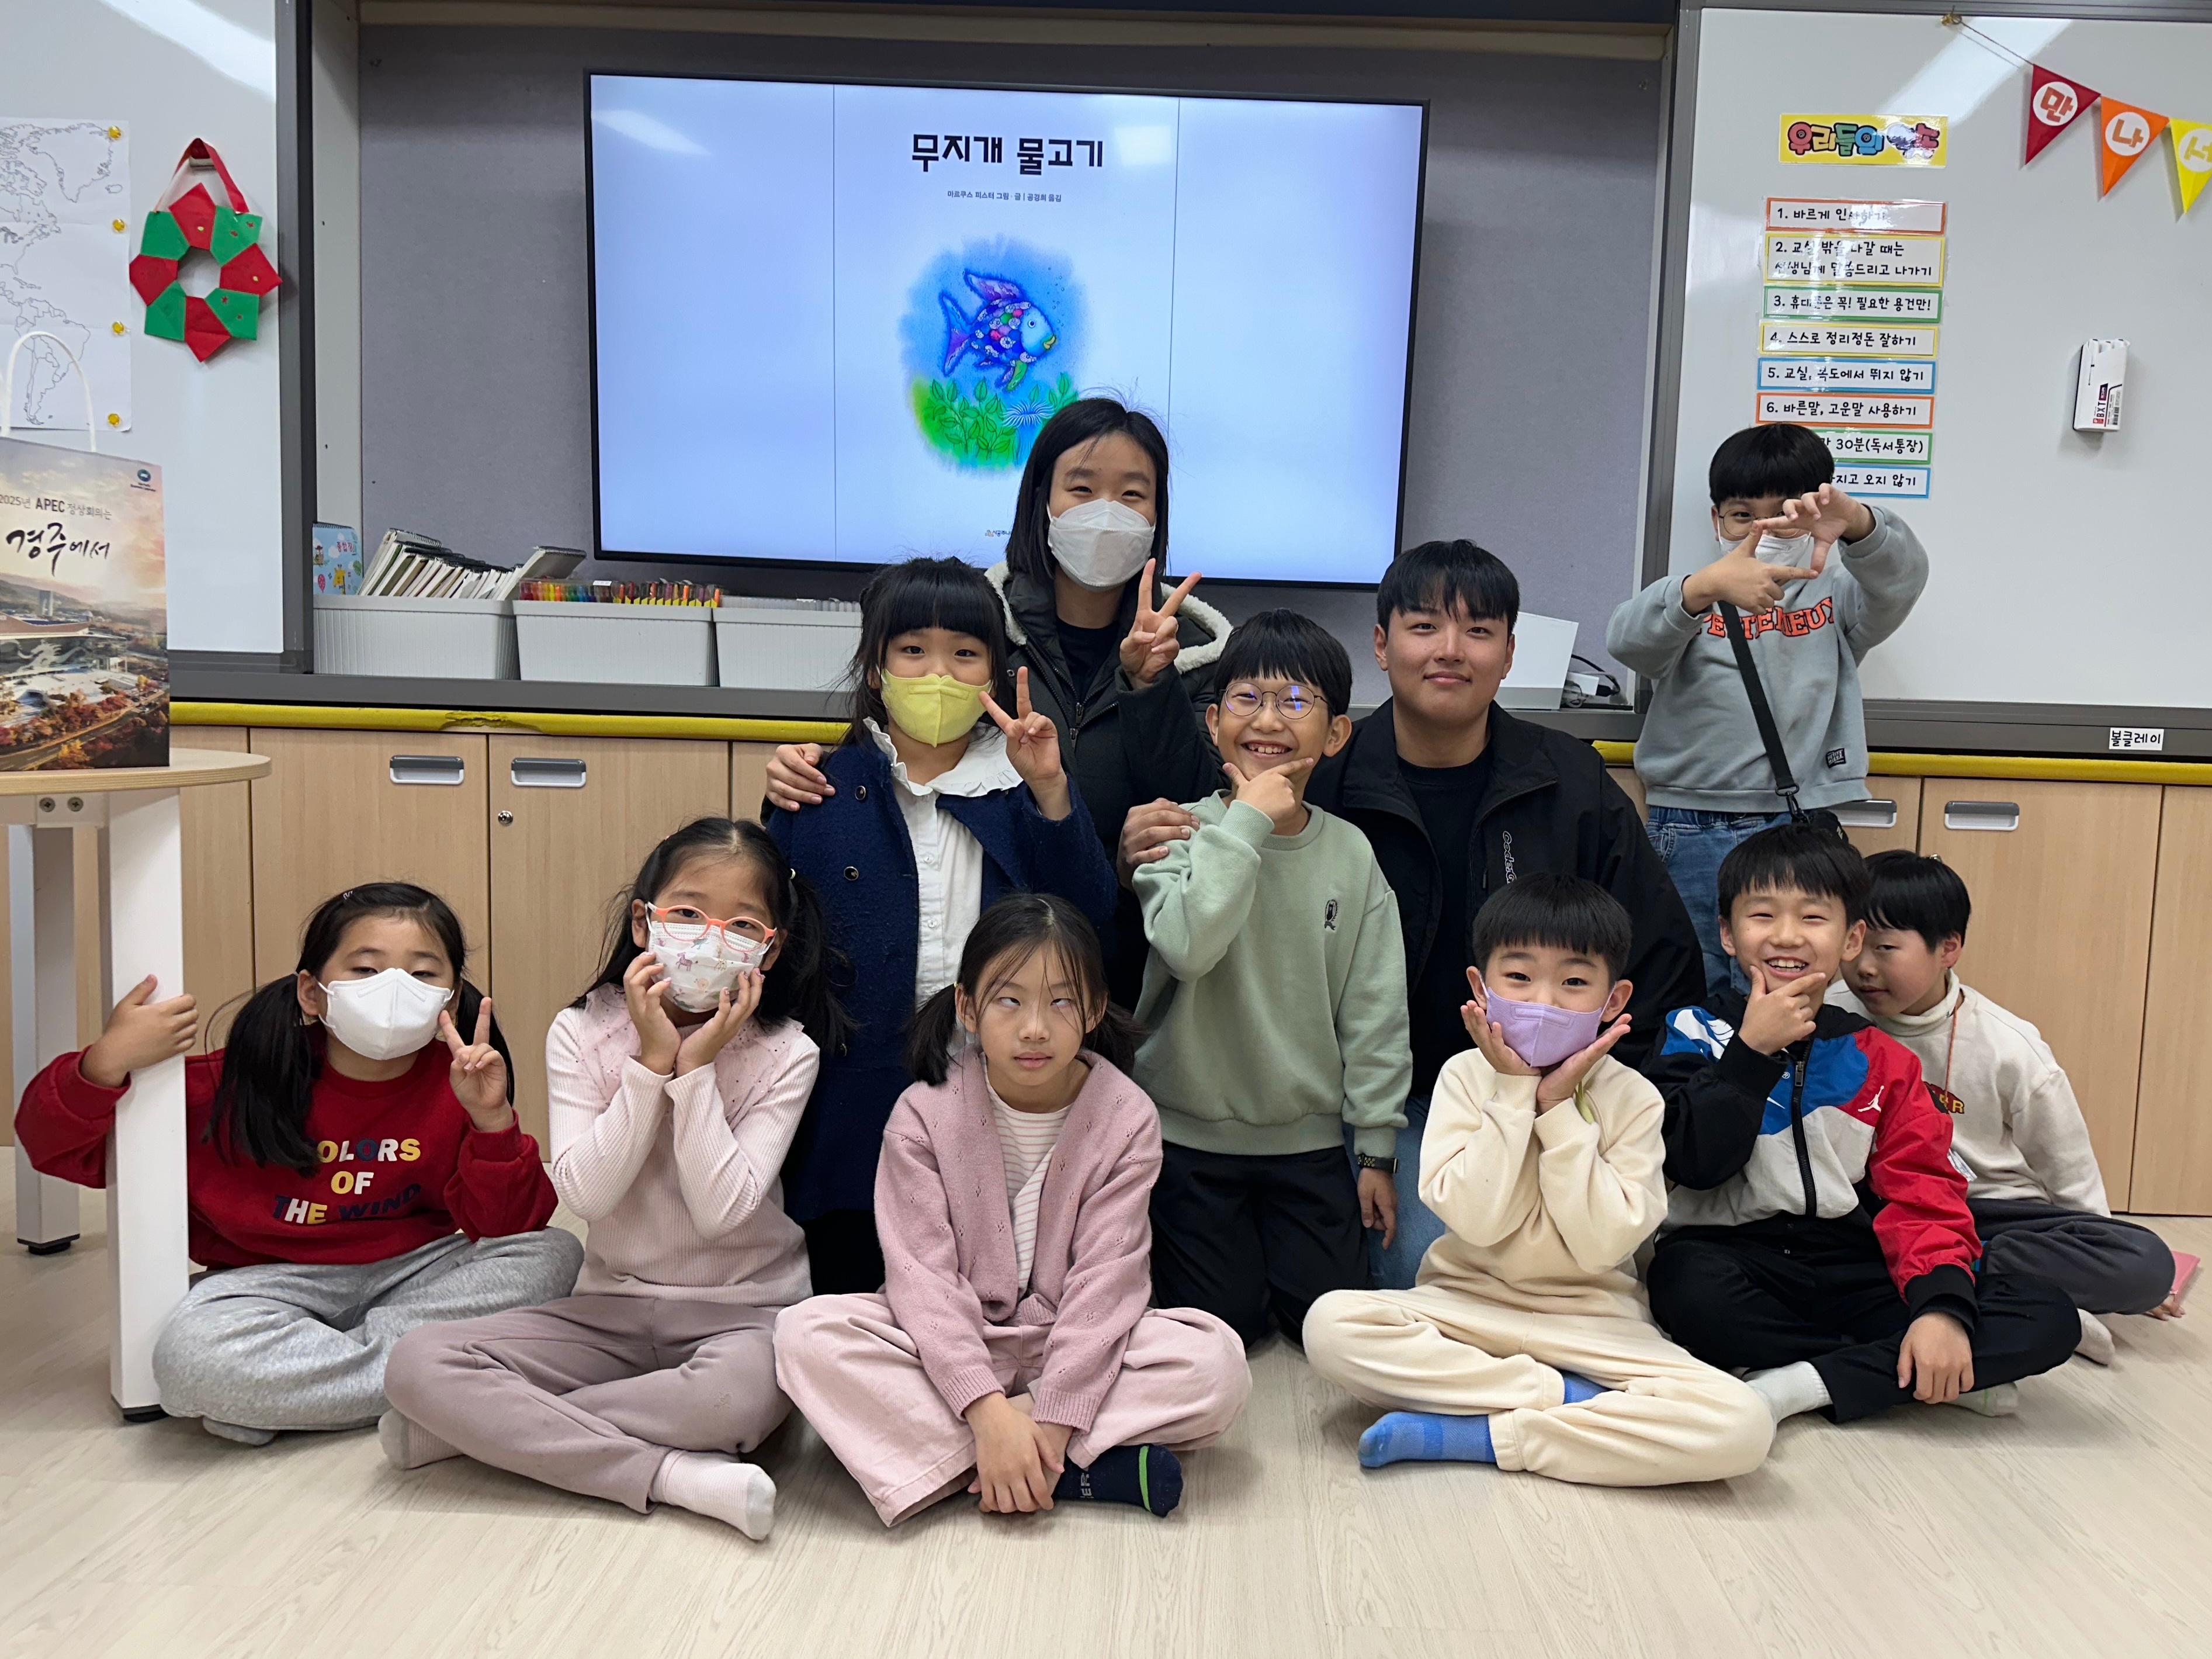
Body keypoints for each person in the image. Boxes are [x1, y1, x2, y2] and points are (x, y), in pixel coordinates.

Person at [380, 819, 847, 1540]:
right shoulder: (582, 1029)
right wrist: (651, 1063)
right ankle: (670, 1474)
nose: (709, 938)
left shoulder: (787, 1051)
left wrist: (695, 1070)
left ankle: (483, 1434)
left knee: (734, 1401)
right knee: (416, 1364)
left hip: (745, 1313)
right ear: (642, 922)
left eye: (741, 924)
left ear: (770, 948)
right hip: (607, 1310)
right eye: (687, 912)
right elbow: (587, 1195)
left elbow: (720, 1209)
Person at [13, 882, 581, 1445]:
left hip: (412, 1272)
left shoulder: (459, 1079)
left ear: (450, 1001)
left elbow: (511, 1227)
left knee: (556, 1254)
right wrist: (104, 1063)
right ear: (312, 992)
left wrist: (491, 1119)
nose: (392, 988)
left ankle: (299, 1392)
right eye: (365, 969)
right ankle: (426, 1371)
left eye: (423, 973)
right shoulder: (233, 1082)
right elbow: (53, 1149)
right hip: (267, 1284)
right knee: (192, 1358)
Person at [1286, 539, 1704, 1291]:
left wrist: (1611, 1097)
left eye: (1478, 630)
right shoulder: (1327, 781)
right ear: (1381, 644)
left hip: (1554, 1089)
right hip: (1386, 1100)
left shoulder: (1569, 780)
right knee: (1427, 1266)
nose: (1450, 650)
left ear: (1509, 653)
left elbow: (1657, 954)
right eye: (1424, 627)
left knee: (1565, 1263)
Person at [775, 895, 1250, 1526]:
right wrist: (984, 1407)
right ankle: (1068, 1470)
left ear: (1095, 1010)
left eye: (1061, 1002)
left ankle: (990, 1460)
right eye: (1009, 1000)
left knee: (1217, 1364)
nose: (1035, 1028)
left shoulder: (1127, 1116)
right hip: (954, 1341)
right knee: (804, 1334)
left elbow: (1108, 1282)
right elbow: (922, 1280)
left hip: (1076, 1344)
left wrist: (1050, 1418)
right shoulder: (923, 1113)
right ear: (967, 1006)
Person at [1303, 876, 1771, 1485]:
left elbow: (1601, 1246)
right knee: (1330, 1326)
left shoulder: (1636, 1098)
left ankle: (1486, 1434)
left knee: (1743, 1424)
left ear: (1613, 999)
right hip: (1465, 1308)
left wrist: (1557, 1112)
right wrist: (1514, 1092)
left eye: (1574, 983)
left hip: (1596, 1325)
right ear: (1482, 988)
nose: (1544, 1001)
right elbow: (1478, 1222)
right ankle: (1568, 1399)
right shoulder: (1463, 1077)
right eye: (1520, 977)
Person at [761, 398, 1233, 1002]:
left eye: (1132, 495)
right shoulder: (980, 626)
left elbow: (1201, 801)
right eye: (1082, 488)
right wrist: (797, 772)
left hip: (1140, 968)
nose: (1106, 513)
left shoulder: (1197, 649)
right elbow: (897, 757)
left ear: (1158, 512)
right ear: (1041, 500)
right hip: (1001, 979)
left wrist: (1150, 685)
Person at [1640, 823, 2077, 1426]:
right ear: (1727, 933)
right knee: (1685, 1290)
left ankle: (1800, 1382)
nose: (1787, 935)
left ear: (1852, 939)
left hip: (1852, 1257)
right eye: (1763, 914)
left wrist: (1940, 1311)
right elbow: (1693, 1163)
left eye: (1813, 917)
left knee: (2046, 1314)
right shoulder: (1692, 1031)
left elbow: (1923, 1189)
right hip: (1734, 1257)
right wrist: (1750, 1054)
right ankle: (1901, 1376)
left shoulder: (1881, 1057)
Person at [770, 556, 1117, 1295]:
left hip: (996, 1088)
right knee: (855, 1295)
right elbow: (774, 937)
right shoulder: (823, 784)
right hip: (854, 1097)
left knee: (992, 1284)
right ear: (875, 668)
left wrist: (1051, 787)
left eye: (964, 653)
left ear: (994, 671)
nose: (937, 672)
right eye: (912, 650)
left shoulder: (1018, 786)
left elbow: (1090, 915)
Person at [1131, 609, 1410, 1346]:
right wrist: (1246, 824)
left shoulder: (1350, 853)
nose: (1268, 720)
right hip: (1186, 1140)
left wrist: (1374, 1149)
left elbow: (1376, 1012)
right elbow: (1188, 948)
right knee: (1228, 1331)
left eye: (1295, 701)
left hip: (1306, 1144)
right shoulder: (1178, 832)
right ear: (1214, 720)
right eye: (1247, 698)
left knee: (1329, 1326)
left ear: (1336, 733)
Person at [1607, 425, 1929, 995]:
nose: (1763, 529)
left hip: (1792, 822)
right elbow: (1628, 642)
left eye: (1785, 514)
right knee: (1691, 986)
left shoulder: (1835, 594)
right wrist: (1701, 587)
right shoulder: (1692, 594)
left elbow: (1902, 580)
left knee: (1791, 986)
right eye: (1742, 516)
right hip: (1690, 823)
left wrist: (1858, 522)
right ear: (1716, 520)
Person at [1835, 850, 2179, 1363]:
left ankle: (1957, 1278)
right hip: (1885, 1205)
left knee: (2145, 1262)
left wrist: (2101, 1249)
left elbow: (2069, 1166)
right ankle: (2011, 1298)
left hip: (1988, 1211)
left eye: (1885, 947)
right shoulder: (1831, 1014)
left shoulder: (2008, 1045)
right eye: (1855, 942)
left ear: (1948, 948)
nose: (1864, 966)